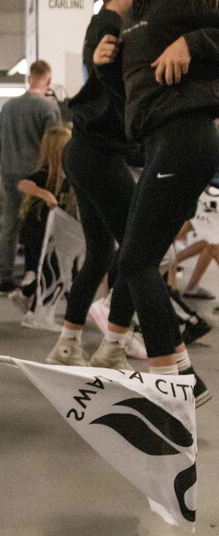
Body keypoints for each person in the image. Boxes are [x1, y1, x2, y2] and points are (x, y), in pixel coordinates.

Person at [94, 0, 217, 405]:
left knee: (135, 261)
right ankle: (183, 380)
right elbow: (133, 94)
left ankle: (170, 386)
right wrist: (106, 68)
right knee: (138, 258)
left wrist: (194, 42)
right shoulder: (129, 18)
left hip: (186, 132)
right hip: (156, 141)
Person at [45, 0, 140, 372]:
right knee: (139, 254)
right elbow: (112, 86)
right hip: (98, 153)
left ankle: (68, 343)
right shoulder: (110, 23)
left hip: (86, 151)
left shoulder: (110, 24)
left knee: (101, 253)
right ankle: (113, 347)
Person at [0, 60, 63, 294]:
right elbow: (56, 142)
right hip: (34, 175)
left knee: (10, 225)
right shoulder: (47, 107)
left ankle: (5, 277)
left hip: (9, 171)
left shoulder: (8, 106)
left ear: (29, 77)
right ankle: (35, 276)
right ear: (49, 80)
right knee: (37, 227)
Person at [7, 127, 77, 311]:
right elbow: (23, 184)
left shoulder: (69, 175)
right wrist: (45, 194)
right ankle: (34, 308)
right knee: (48, 271)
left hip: (57, 232)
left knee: (63, 269)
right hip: (38, 231)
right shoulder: (45, 174)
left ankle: (26, 295)